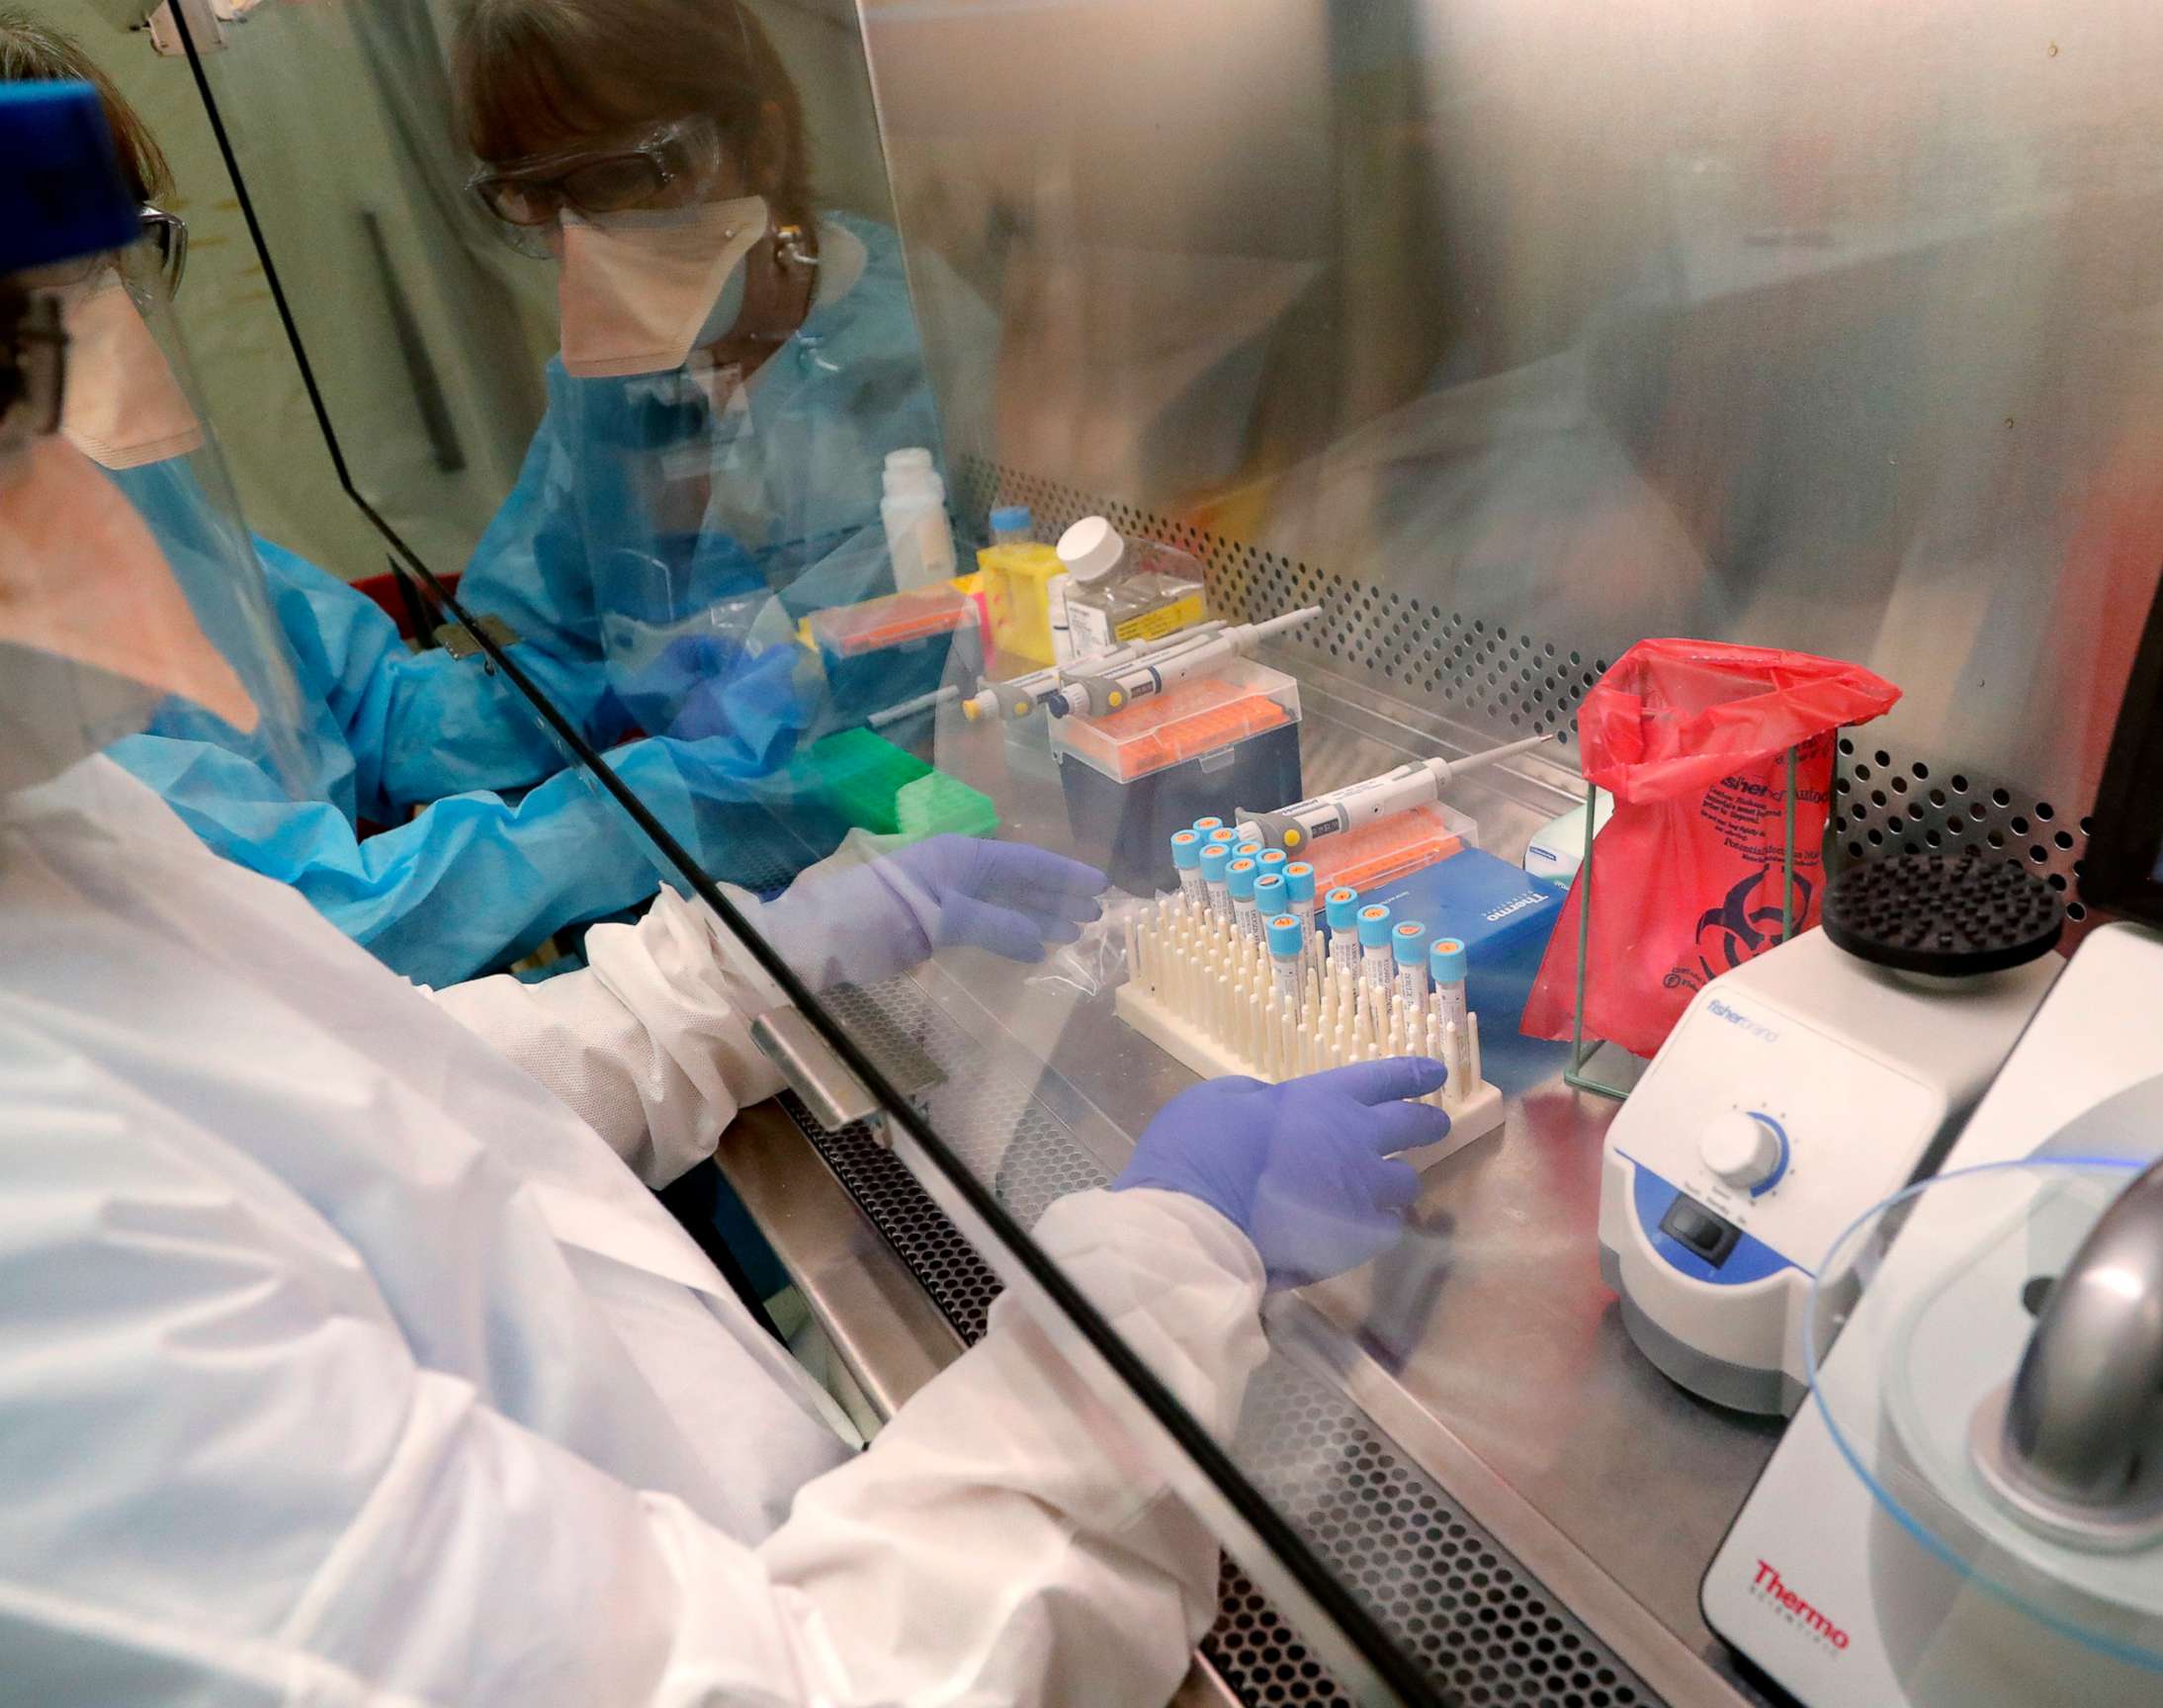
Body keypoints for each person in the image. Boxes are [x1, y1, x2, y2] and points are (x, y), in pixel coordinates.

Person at [1, 80, 1448, 1704]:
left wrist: (748, 961)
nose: (91, 464)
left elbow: (368, 1113)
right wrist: (1168, 1270)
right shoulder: (39, 1274)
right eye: (25, 391)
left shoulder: (50, 831)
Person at [0, 10, 849, 985]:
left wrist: (605, 688)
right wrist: (636, 806)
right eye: (51, 278)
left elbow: (371, 706)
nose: (109, 304)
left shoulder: (133, 488)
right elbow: (311, 928)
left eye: (125, 250)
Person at [447, 0, 950, 750]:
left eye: (620, 176)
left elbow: (840, 743)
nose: (579, 241)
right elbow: (536, 653)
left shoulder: (921, 357)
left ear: (765, 146)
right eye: (537, 198)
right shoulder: (609, 384)